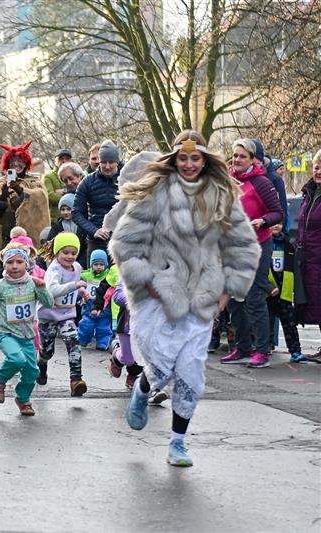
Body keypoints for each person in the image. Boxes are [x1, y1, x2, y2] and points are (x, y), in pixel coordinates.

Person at [110, 130, 260, 467]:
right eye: (183, 158)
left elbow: (244, 246)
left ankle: (178, 443)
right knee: (161, 365)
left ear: (204, 160)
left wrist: (227, 292)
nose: (190, 164)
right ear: (174, 160)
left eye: (196, 158)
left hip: (201, 298)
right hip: (157, 298)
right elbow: (124, 244)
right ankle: (143, 389)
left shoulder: (221, 196)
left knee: (191, 371)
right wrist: (147, 283)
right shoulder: (154, 195)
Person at [0, 245, 53, 416]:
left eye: (19, 262)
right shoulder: (0, 286)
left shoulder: (33, 283)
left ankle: (22, 398)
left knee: (32, 371)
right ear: (4, 265)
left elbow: (49, 303)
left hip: (27, 335)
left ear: (27, 264)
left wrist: (42, 287)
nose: (15, 266)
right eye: (10, 262)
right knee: (16, 359)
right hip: (5, 333)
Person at [221, 139, 283, 368]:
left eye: (242, 156)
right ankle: (242, 346)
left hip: (258, 244)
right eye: (235, 155)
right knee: (234, 300)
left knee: (254, 297)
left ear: (253, 160)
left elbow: (277, 213)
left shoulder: (262, 182)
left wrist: (263, 221)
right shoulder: (228, 180)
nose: (236, 160)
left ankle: (261, 351)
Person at [0, 141, 49, 329]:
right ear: (7, 164)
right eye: (13, 161)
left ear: (26, 163)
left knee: (25, 277)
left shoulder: (34, 183)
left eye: (20, 161)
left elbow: (40, 199)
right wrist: (2, 198)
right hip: (4, 237)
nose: (16, 164)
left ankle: (24, 317)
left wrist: (23, 194)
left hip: (25, 238)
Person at [35, 232, 90, 396]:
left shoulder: (77, 268)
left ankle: (76, 380)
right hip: (48, 315)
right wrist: (75, 285)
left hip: (66, 314)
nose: (70, 256)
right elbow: (52, 290)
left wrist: (81, 291)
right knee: (47, 351)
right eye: (65, 252)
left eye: (73, 253)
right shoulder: (54, 270)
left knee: (73, 341)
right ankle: (41, 364)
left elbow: (74, 286)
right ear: (57, 252)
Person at [73, 140, 121, 257]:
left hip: (122, 238)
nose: (107, 166)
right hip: (97, 239)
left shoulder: (128, 179)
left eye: (111, 162)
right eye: (103, 162)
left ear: (117, 162)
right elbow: (76, 212)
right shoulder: (87, 182)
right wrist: (93, 230)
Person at [266, 223, 307, 362]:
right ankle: (264, 348)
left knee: (289, 323)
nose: (275, 226)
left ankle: (295, 351)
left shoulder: (288, 244)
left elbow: (294, 268)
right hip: (268, 291)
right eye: (272, 224)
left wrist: (296, 291)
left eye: (278, 223)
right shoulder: (263, 244)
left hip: (285, 291)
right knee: (266, 322)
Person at [295, 149, 321, 362]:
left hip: (318, 257)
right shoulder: (309, 193)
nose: (318, 171)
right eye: (316, 167)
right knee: (316, 302)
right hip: (309, 258)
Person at [77, 249, 112, 349]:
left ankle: (103, 342)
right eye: (96, 264)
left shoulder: (108, 276)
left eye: (101, 264)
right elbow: (78, 286)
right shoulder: (85, 275)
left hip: (104, 309)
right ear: (91, 264)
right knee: (86, 325)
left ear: (106, 265)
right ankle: (82, 339)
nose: (98, 267)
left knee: (103, 327)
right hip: (88, 306)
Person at [42, 147, 74, 220]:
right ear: (55, 161)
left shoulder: (75, 175)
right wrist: (71, 197)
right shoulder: (48, 177)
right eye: (61, 158)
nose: (64, 161)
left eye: (67, 158)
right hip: (56, 219)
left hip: (74, 218)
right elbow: (50, 197)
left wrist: (64, 191)